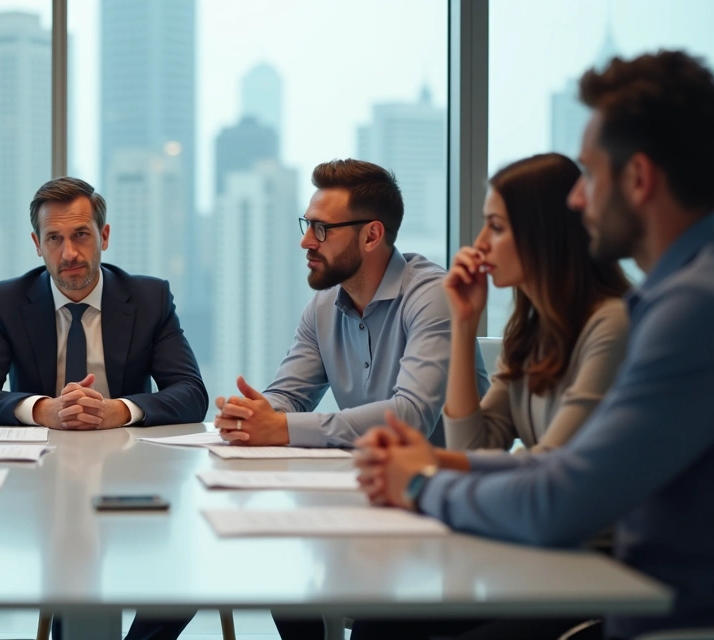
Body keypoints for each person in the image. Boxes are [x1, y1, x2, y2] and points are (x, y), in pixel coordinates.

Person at [355, 49, 714, 639]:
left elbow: (560, 490)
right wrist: (464, 325)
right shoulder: (627, 308)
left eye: (591, 175)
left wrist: (421, 480)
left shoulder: (680, 311)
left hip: (619, 596)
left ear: (640, 179)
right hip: (597, 579)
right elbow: (490, 443)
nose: (579, 198)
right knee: (384, 621)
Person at [214, 159, 490, 450]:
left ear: (371, 236)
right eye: (307, 225)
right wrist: (249, 415)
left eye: (321, 228)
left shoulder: (432, 296)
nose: (306, 241)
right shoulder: (322, 306)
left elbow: (411, 415)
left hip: (454, 483)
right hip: (372, 478)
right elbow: (290, 397)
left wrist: (280, 427)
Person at [0, 176, 207, 430]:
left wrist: (118, 410)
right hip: (38, 459)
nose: (69, 253)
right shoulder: (8, 302)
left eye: (81, 234)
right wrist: (42, 410)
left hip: (126, 453)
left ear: (104, 236)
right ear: (37, 244)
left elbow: (191, 393)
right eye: (54, 238)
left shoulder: (150, 299)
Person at [442, 152, 631, 455]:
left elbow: (553, 468)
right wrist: (464, 325)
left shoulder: (612, 325)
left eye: (497, 227)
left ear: (544, 235)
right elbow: (470, 450)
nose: (479, 244)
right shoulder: (531, 335)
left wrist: (424, 468)